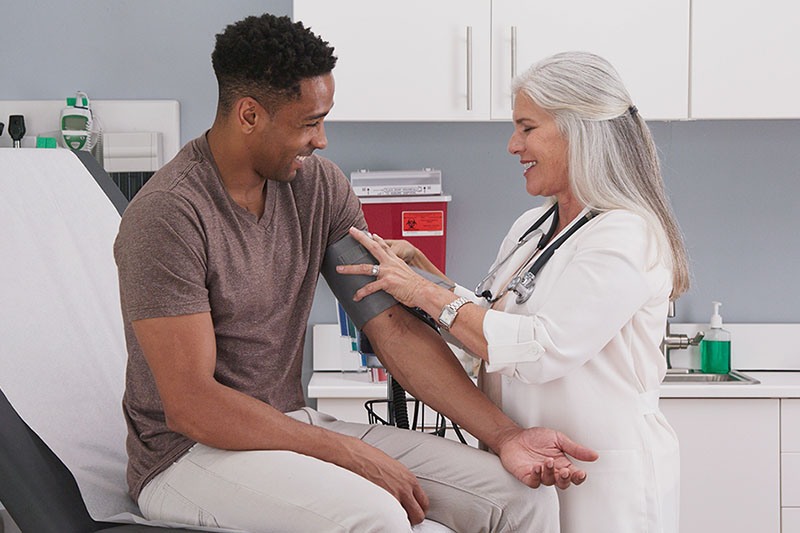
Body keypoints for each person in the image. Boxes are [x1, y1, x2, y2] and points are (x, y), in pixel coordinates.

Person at [113, 15, 599, 533]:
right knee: (375, 515)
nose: (322, 140)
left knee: (520, 500)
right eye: (307, 123)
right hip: (186, 458)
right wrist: (345, 452)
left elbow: (390, 326)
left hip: (287, 426)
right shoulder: (168, 215)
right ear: (249, 114)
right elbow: (191, 406)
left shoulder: (318, 188)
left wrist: (505, 438)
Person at [338, 51, 686, 533]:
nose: (511, 145)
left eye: (527, 128)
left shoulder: (626, 233)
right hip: (532, 465)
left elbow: (542, 347)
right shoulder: (534, 226)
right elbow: (493, 324)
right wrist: (428, 276)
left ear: (577, 130)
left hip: (604, 474)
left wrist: (424, 292)